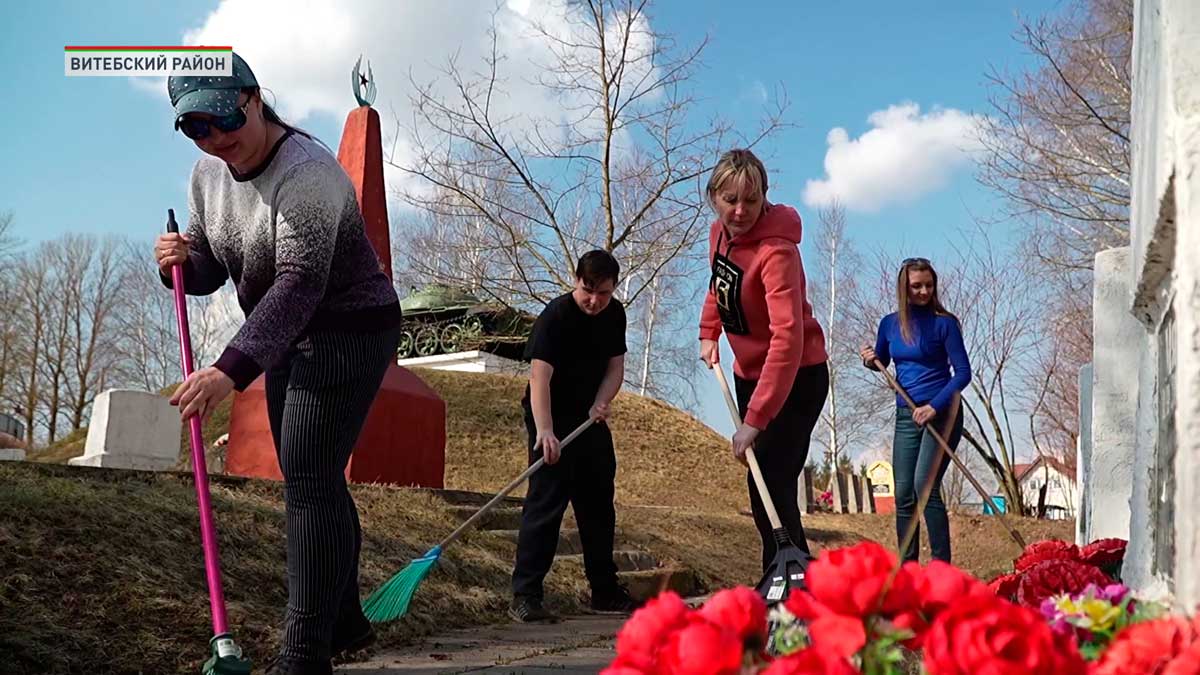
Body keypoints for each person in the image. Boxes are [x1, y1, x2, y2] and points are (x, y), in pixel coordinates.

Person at [154, 52, 402, 675]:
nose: (216, 139)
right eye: (195, 128)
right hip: (289, 334)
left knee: (309, 479)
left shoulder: (309, 173)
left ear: (254, 99)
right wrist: (180, 263)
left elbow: (297, 285)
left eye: (222, 120)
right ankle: (345, 620)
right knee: (310, 470)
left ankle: (305, 653)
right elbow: (216, 266)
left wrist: (227, 370)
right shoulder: (207, 177)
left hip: (351, 324)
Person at [698, 148, 830, 575]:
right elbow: (720, 284)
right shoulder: (720, 234)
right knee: (762, 486)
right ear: (713, 197)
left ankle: (791, 590)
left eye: (750, 201)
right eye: (730, 199)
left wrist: (755, 418)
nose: (740, 211)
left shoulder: (777, 252)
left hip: (797, 377)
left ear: (765, 198)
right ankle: (784, 583)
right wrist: (708, 331)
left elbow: (787, 339)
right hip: (750, 373)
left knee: (772, 484)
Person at [509, 249, 637, 623]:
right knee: (545, 504)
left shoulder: (615, 316)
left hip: (589, 419)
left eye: (604, 293)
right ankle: (526, 594)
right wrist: (545, 431)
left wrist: (602, 401)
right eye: (588, 289)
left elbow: (616, 367)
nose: (595, 300)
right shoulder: (556, 316)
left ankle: (604, 591)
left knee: (599, 506)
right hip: (550, 415)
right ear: (576, 280)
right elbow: (539, 378)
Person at [859, 257, 971, 563]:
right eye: (916, 286)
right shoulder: (890, 324)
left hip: (943, 411)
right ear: (904, 289)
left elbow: (963, 374)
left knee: (925, 487)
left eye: (928, 285)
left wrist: (934, 407)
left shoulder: (944, 324)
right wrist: (869, 359)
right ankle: (907, 571)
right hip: (906, 414)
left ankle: (940, 568)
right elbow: (880, 359)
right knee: (904, 493)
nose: (923, 291)